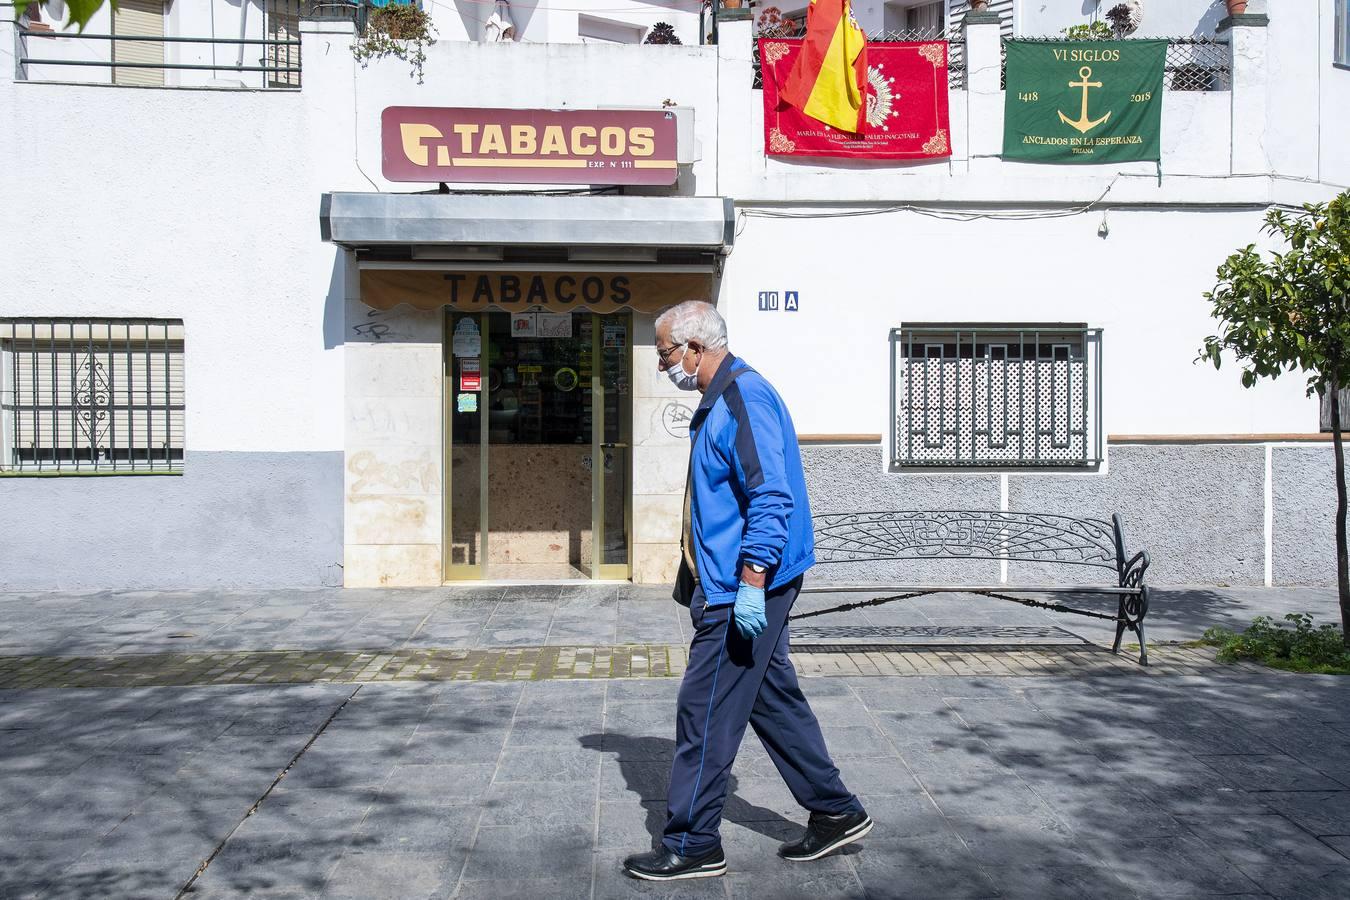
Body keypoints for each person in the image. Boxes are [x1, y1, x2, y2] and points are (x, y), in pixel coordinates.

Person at [622, 301, 871, 882]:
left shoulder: (742, 398)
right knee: (768, 696)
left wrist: (751, 584)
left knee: (704, 709)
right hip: (737, 581)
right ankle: (835, 812)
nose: (664, 368)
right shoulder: (724, 397)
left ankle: (693, 842)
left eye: (665, 355)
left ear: (695, 348)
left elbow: (772, 497)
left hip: (744, 586)